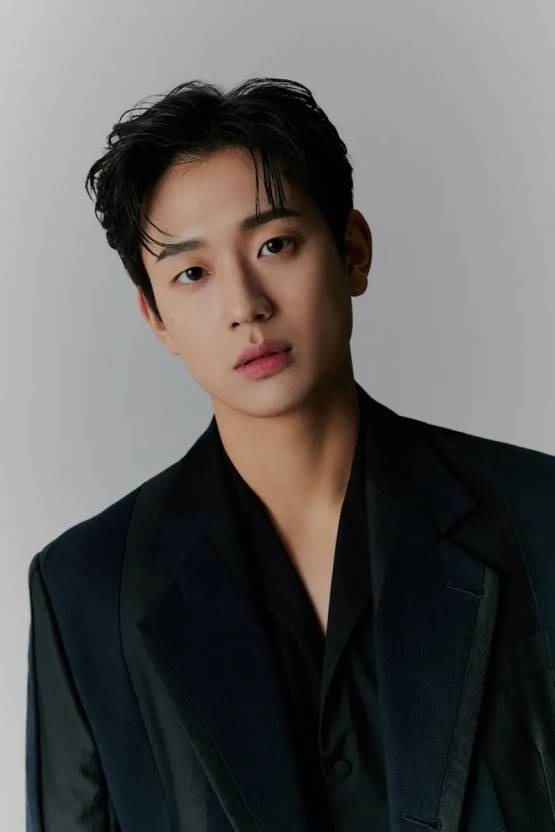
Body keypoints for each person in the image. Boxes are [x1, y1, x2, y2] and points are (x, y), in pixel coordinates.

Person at [25, 77, 555, 832]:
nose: (245, 305)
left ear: (352, 251)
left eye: (274, 244)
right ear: (156, 317)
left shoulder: (538, 515)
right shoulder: (83, 591)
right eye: (192, 273)